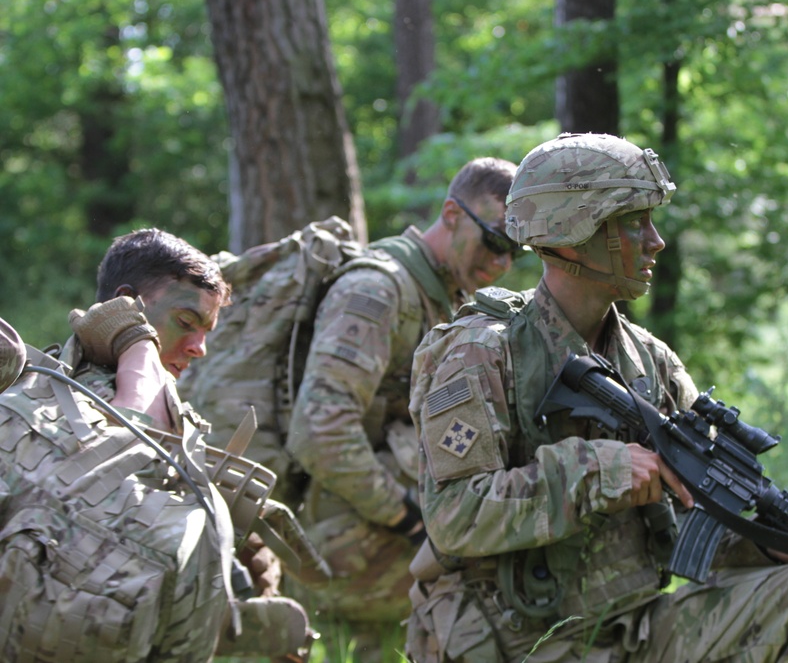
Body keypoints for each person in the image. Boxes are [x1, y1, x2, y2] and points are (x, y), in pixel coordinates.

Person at [405, 133, 788, 662]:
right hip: (517, 642)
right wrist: (595, 472)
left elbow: (695, 514)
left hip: (635, 632)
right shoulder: (481, 351)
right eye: (633, 222)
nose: (656, 241)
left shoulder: (650, 361)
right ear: (572, 232)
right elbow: (452, 516)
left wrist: (771, 545)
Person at [0, 228, 315, 662]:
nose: (199, 348)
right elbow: (133, 439)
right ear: (127, 303)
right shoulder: (55, 399)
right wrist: (134, 340)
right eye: (186, 323)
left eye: (206, 332)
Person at [283, 157, 519, 659]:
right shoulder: (378, 289)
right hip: (338, 534)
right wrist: (409, 518)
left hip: (376, 525)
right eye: (496, 242)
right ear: (452, 214)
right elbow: (319, 431)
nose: (502, 264)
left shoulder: (443, 298)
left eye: (516, 251)